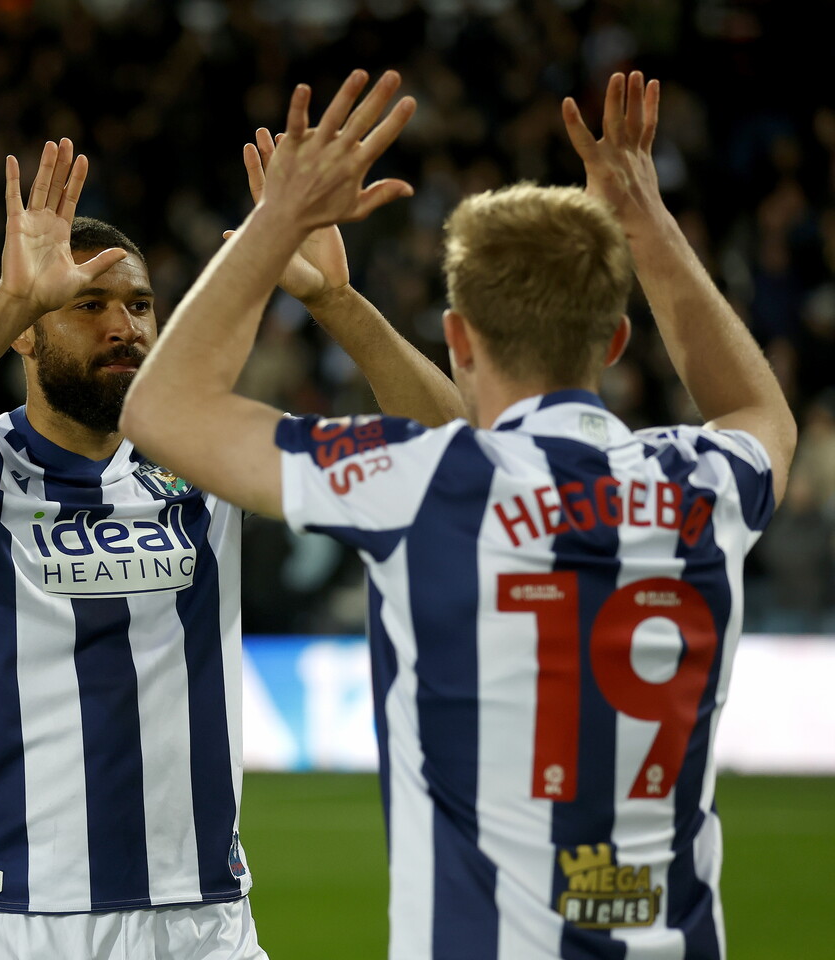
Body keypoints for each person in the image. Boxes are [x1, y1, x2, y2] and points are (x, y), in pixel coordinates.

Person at [120, 69, 796, 960]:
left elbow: (161, 411)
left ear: (459, 337)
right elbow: (762, 413)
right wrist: (646, 221)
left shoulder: (423, 482)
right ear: (616, 341)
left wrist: (280, 218)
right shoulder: (703, 483)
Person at [0, 135, 458, 960]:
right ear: (28, 335)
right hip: (18, 924)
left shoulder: (209, 453)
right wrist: (7, 304)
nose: (123, 326)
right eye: (88, 305)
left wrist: (337, 301)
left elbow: (456, 463)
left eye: (141, 305)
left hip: (205, 924)